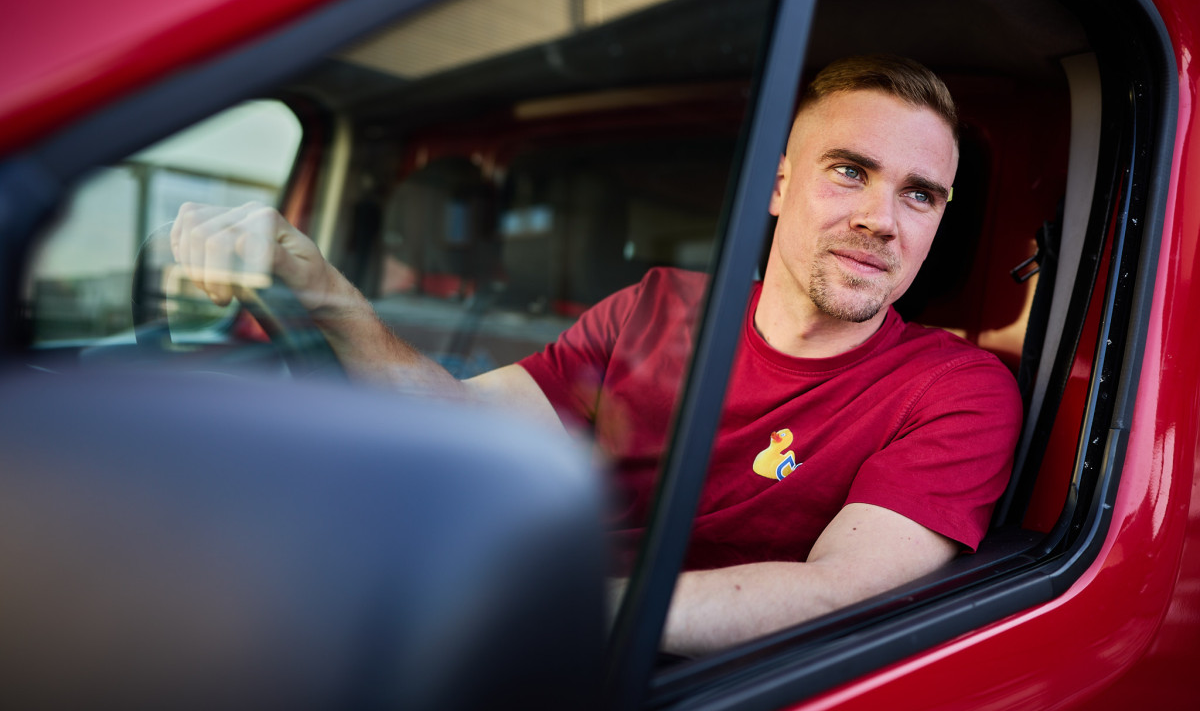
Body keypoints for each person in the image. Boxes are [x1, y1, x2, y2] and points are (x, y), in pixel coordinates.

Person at [171, 55, 1021, 658]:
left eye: (920, 193)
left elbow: (842, 593)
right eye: (849, 171)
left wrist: (550, 613)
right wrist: (318, 283)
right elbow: (459, 421)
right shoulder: (655, 309)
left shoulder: (956, 390)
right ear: (777, 185)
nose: (883, 218)